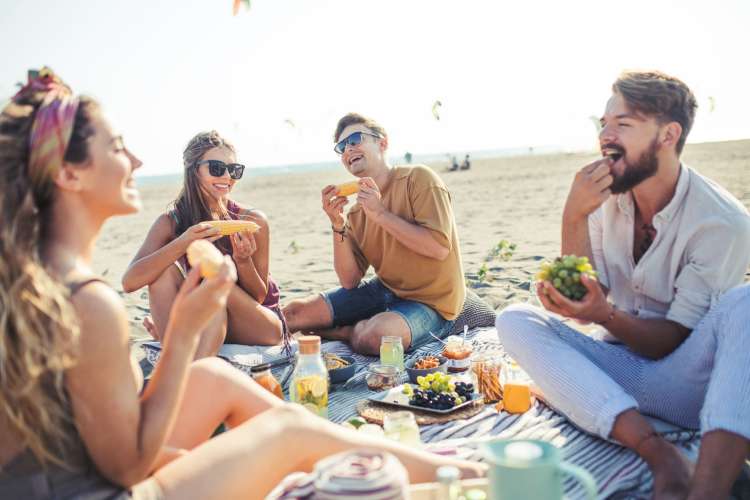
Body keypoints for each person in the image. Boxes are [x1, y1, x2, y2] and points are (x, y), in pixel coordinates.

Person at [0, 68, 484, 500]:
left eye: (234, 169)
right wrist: (185, 332)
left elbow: (96, 445)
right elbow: (126, 466)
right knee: (288, 433)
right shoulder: (89, 302)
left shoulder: (35, 276)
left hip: (65, 472)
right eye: (116, 146)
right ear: (67, 173)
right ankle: (473, 477)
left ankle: (455, 471)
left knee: (216, 378)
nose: (137, 160)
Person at [495, 70, 750, 499]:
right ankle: (659, 454)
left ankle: (708, 490)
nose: (606, 136)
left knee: (747, 303)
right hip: (613, 366)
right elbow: (578, 296)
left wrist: (604, 314)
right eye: (604, 123)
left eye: (623, 124)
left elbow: (667, 343)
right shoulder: (603, 196)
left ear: (668, 134)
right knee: (514, 319)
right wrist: (573, 216)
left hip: (685, 385)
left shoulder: (722, 223)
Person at [282, 113, 466, 355]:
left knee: (376, 337)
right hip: (386, 290)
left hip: (434, 303)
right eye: (341, 147)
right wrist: (337, 224)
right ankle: (354, 325)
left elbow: (438, 248)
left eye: (355, 139)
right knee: (292, 314)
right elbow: (349, 280)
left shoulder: (419, 179)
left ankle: (345, 332)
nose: (348, 150)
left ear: (383, 143)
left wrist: (380, 214)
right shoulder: (357, 212)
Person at [122, 130, 286, 358]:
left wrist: (243, 260)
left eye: (234, 170)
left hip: (259, 325)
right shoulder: (171, 223)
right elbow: (130, 281)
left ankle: (182, 355)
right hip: (206, 320)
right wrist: (184, 241)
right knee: (162, 271)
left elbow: (258, 296)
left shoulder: (252, 220)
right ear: (193, 170)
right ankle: (183, 356)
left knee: (214, 286)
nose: (227, 177)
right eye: (217, 168)